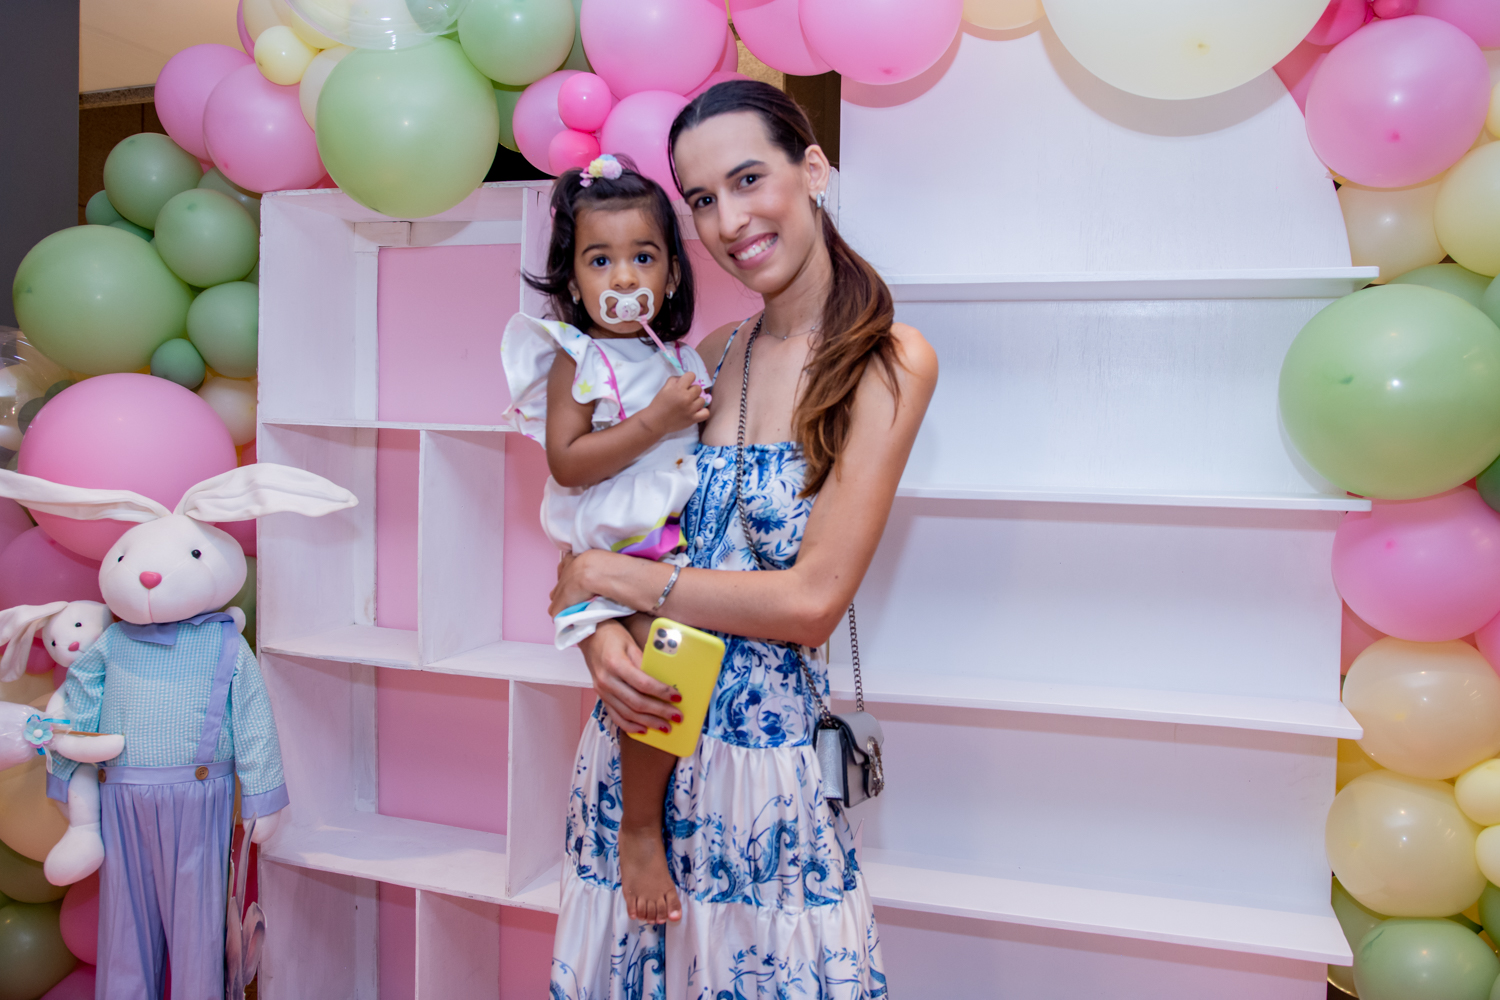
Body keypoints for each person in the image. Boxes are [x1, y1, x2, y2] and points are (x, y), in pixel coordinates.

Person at [548, 80, 939, 998]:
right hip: (645, 737)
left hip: (763, 779)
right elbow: (615, 529)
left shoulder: (887, 361)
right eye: (701, 199)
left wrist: (608, 581)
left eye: (748, 179)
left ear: (814, 170)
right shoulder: (708, 358)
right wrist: (596, 627)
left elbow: (810, 603)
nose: (728, 221)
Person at [500, 153, 710, 924]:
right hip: (609, 559)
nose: (624, 276)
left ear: (673, 274)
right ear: (574, 280)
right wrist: (656, 420)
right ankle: (640, 826)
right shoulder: (577, 359)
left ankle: (660, 811)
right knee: (665, 661)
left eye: (643, 257)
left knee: (683, 659)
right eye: (600, 260)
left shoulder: (679, 359)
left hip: (668, 553)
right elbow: (568, 462)